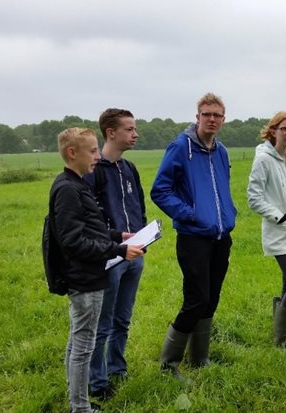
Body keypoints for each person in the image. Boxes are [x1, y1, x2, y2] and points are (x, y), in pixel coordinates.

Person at [50, 127, 143, 413]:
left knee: (76, 342)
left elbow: (92, 228)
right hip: (86, 278)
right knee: (83, 347)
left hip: (90, 274)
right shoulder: (68, 188)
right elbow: (73, 241)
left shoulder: (76, 184)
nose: (96, 156)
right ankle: (80, 408)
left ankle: (75, 399)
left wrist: (117, 236)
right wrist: (118, 251)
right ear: (72, 153)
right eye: (91, 151)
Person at [150, 92, 237, 379]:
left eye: (217, 115)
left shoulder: (221, 151)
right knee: (196, 298)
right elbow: (160, 190)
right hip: (193, 237)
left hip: (221, 235)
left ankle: (200, 359)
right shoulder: (180, 147)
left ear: (223, 119)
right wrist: (189, 213)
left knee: (211, 298)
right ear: (197, 116)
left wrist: (228, 213)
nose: (211, 119)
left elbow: (221, 187)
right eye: (206, 114)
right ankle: (169, 364)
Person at [84, 109, 147, 401]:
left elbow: (139, 206)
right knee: (103, 323)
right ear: (111, 132)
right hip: (109, 258)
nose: (135, 134)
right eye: (129, 129)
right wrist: (111, 245)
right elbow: (90, 218)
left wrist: (143, 236)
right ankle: (97, 382)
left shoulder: (129, 168)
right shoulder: (94, 171)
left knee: (123, 318)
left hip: (136, 254)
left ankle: (118, 369)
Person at [247, 111, 286, 346]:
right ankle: (280, 338)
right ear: (273, 131)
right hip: (279, 231)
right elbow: (254, 198)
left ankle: (280, 336)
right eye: (284, 128)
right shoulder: (263, 159)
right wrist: (281, 217)